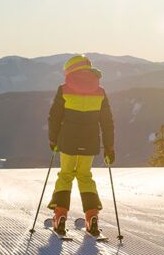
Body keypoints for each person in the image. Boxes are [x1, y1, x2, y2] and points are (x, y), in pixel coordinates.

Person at [47, 55, 115, 236]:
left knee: (66, 175)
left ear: (70, 71)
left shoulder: (64, 89)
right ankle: (92, 217)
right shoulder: (100, 92)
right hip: (90, 143)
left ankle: (60, 217)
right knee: (85, 176)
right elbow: (107, 122)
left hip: (68, 142)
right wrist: (109, 147)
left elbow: (55, 117)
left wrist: (53, 140)